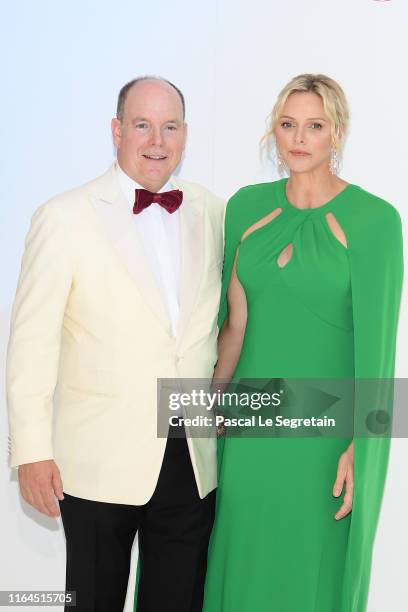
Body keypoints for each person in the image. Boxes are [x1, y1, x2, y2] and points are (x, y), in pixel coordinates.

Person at [6, 76, 225, 612]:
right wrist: (32, 451)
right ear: (116, 131)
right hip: (96, 462)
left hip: (189, 457)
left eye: (169, 126)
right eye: (142, 125)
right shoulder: (65, 216)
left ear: (185, 135)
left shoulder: (212, 211)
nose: (156, 140)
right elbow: (30, 342)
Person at [202, 74, 403, 612]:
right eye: (288, 124)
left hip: (326, 437)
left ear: (336, 133)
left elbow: (379, 350)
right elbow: (235, 325)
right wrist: (209, 406)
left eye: (314, 126)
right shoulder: (245, 208)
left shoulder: (376, 221)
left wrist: (364, 444)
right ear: (275, 130)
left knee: (310, 572)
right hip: (251, 427)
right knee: (242, 558)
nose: (299, 137)